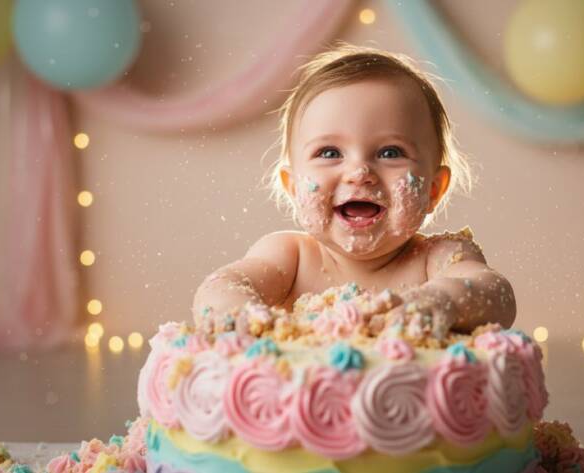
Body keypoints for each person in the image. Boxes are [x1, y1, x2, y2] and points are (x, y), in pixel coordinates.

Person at [192, 44, 515, 339]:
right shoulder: (290, 257)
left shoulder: (438, 258)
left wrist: (441, 300)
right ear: (293, 187)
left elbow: (496, 293)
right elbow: (221, 286)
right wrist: (239, 313)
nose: (360, 173)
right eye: (330, 153)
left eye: (390, 153)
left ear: (434, 189)